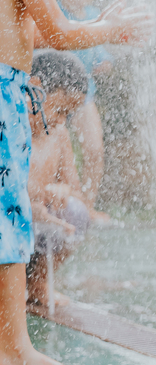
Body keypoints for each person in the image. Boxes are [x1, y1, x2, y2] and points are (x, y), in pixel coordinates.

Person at [0, 0, 151, 365]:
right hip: (4, 94)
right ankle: (14, 348)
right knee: (10, 213)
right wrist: (109, 29)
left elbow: (26, 41)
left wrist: (96, 27)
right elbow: (59, 34)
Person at [46, 0, 112, 220]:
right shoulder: (53, 12)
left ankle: (88, 206)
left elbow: (103, 59)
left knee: (95, 150)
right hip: (53, 97)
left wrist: (101, 63)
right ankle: (57, 203)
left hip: (84, 96)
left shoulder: (96, 17)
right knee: (58, 152)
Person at [26, 50, 91, 309]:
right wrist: (32, 202)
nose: (61, 121)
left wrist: (61, 190)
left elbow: (75, 191)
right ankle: (10, 286)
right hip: (11, 220)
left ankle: (38, 282)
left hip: (40, 226)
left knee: (76, 213)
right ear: (35, 89)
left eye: (69, 115)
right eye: (60, 109)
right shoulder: (10, 129)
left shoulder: (59, 134)